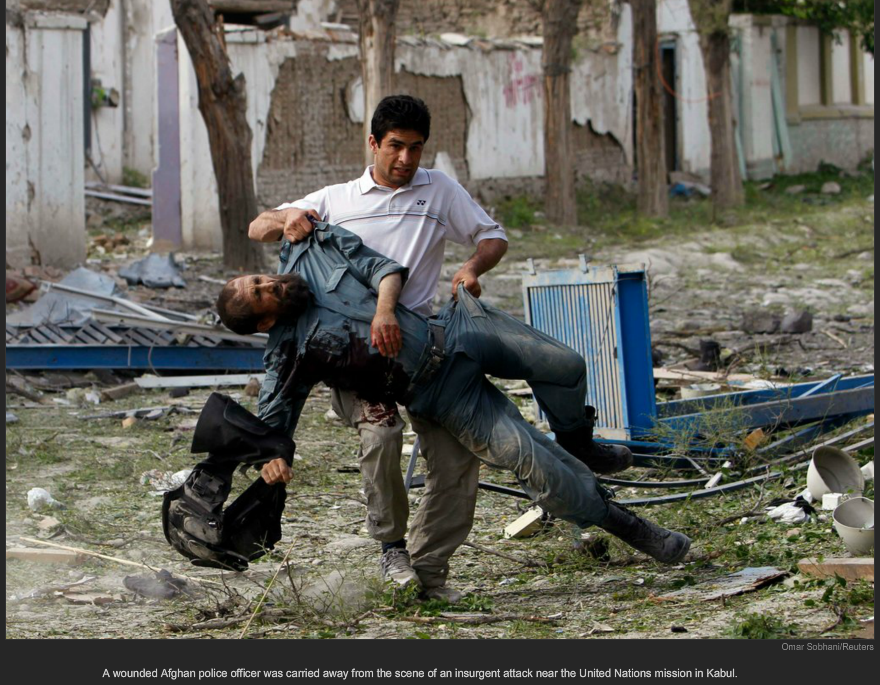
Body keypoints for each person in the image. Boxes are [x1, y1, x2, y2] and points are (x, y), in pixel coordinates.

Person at [246, 95, 630, 598]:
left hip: (426, 351)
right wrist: (290, 216)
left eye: (416, 148)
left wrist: (471, 267)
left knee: (457, 462)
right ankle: (391, 547)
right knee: (381, 434)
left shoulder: (439, 189)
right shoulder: (337, 200)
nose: (406, 159)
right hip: (357, 362)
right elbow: (258, 225)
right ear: (373, 143)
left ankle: (427, 577)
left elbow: (492, 236)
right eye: (395, 147)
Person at [216, 223, 690, 573]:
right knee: (531, 460)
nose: (269, 284)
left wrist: (384, 311)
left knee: (565, 365)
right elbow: (272, 420)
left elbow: (382, 268)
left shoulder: (309, 249)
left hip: (458, 330)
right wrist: (271, 457)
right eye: (261, 294)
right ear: (264, 322)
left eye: (260, 279)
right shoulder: (289, 355)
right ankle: (630, 527)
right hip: (442, 394)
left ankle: (579, 441)